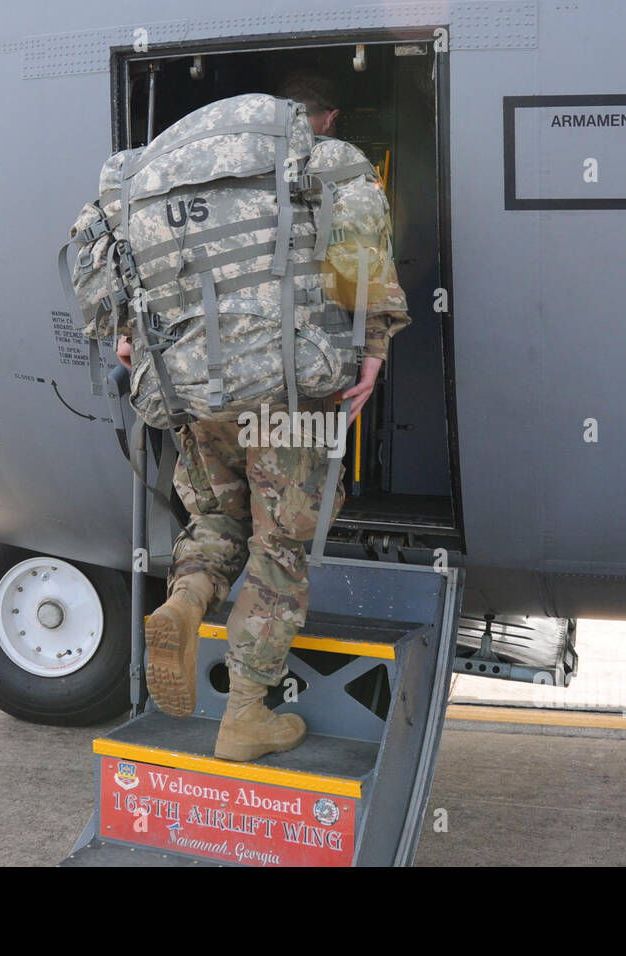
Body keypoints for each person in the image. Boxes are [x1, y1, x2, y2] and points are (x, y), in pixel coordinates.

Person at [122, 74, 411, 761]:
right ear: (325, 114)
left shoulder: (175, 168)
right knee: (279, 547)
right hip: (287, 396)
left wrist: (130, 343)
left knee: (217, 519)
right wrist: (373, 352)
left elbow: (121, 279)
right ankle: (247, 714)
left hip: (195, 391)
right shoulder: (328, 159)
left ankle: (187, 601)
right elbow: (358, 264)